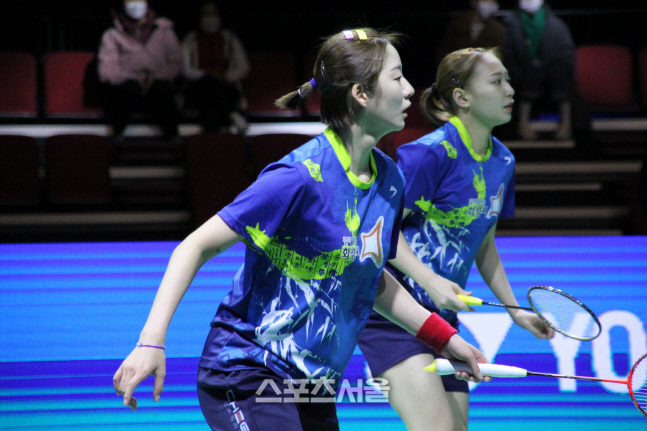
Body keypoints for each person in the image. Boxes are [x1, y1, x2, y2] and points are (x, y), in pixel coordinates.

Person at [112, 28, 491, 431]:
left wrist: (445, 339)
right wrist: (151, 341)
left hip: (313, 386)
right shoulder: (299, 176)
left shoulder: (390, 181)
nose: (411, 90)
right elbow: (194, 247)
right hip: (248, 372)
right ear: (361, 94)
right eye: (397, 78)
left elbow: (368, 278)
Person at [358, 47, 555, 431]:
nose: (510, 90)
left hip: (443, 319)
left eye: (508, 80)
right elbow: (382, 232)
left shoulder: (502, 162)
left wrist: (515, 311)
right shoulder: (427, 154)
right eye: (497, 81)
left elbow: (483, 243)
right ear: (462, 97)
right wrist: (429, 280)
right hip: (395, 315)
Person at [97, 0, 183, 142]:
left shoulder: (164, 30)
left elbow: (176, 63)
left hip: (157, 82)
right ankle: (117, 139)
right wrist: (135, 79)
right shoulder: (112, 34)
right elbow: (106, 70)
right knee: (127, 90)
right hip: (128, 85)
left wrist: (152, 78)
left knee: (161, 91)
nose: (136, 4)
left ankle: (173, 138)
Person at [502, 0, 576, 140]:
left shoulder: (556, 25)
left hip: (552, 76)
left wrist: (551, 67)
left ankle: (566, 125)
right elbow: (507, 55)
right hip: (522, 76)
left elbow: (567, 54)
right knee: (531, 74)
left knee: (561, 77)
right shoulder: (510, 25)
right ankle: (522, 125)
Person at [181, 1, 250, 133]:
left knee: (210, 102)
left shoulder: (229, 38)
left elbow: (243, 67)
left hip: (226, 86)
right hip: (197, 88)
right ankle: (232, 114)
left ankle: (212, 140)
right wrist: (206, 75)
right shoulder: (190, 39)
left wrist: (226, 77)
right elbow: (185, 69)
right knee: (209, 85)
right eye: (206, 14)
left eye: (213, 13)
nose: (210, 17)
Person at [436, 0, 506, 66]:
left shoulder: (498, 29)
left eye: (492, 1)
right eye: (486, 1)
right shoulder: (457, 25)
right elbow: (443, 52)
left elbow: (499, 56)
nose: (489, 5)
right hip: (458, 70)